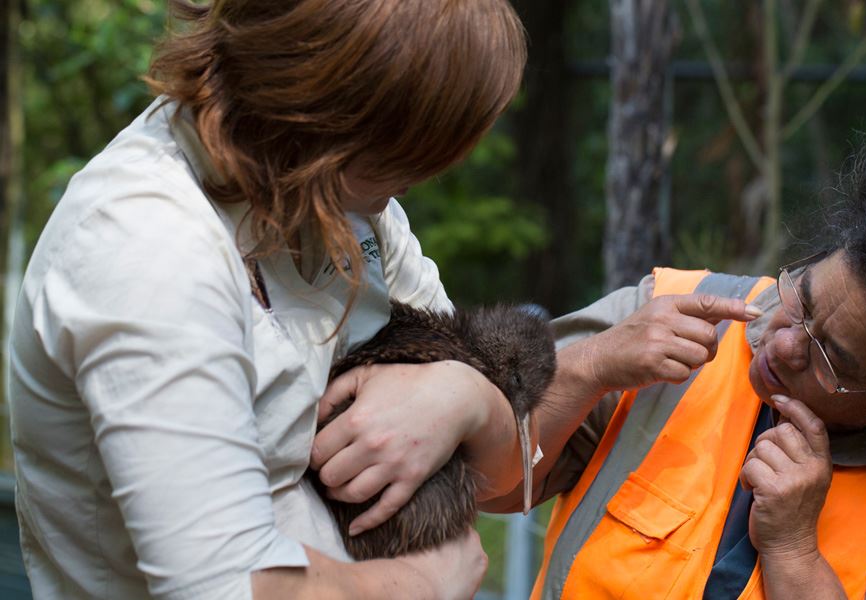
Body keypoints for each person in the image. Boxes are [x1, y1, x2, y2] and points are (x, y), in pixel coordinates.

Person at [9, 1, 531, 598]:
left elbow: (510, 479)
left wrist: (464, 398)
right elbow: (226, 585)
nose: (424, 176)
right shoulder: (148, 248)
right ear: (324, 109)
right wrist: (421, 585)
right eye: (409, 147)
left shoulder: (336, 197)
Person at [483, 143, 866, 599]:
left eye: (830, 358)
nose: (786, 342)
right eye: (804, 298)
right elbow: (491, 486)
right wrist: (589, 365)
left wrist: (793, 551)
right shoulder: (675, 308)